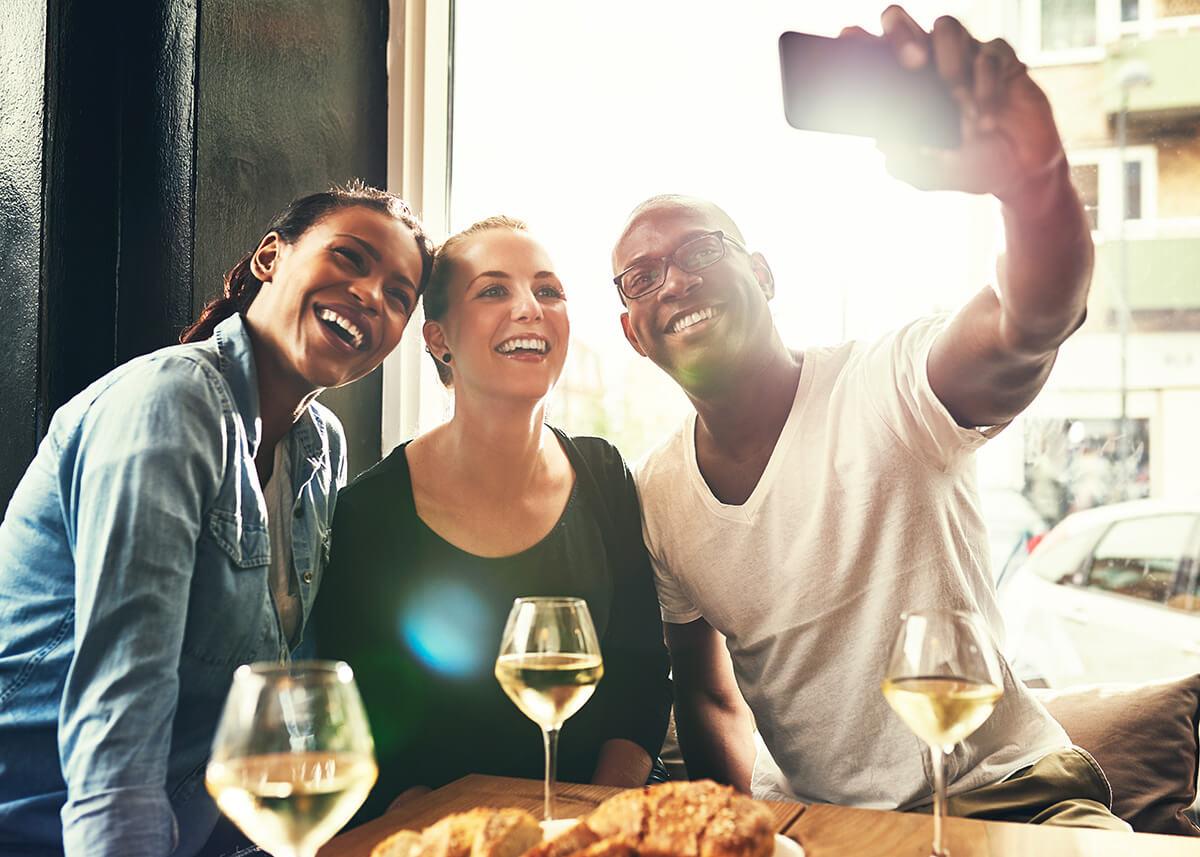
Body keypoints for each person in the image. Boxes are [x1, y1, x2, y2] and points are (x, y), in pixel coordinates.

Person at [612, 8, 1129, 831]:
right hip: (821, 825)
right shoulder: (658, 492)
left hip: (1012, 801)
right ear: (633, 333)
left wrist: (1031, 184)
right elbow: (706, 693)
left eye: (702, 252)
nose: (673, 282)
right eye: (640, 279)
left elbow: (1027, 323)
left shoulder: (888, 386)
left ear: (763, 274)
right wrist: (742, 836)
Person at [0, 182, 435, 857]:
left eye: (400, 294)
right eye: (350, 258)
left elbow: (285, 694)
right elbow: (121, 710)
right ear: (270, 257)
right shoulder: (171, 403)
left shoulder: (320, 445)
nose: (372, 294)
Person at [313, 216, 672, 822]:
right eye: (493, 290)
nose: (530, 308)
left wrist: (590, 822)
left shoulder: (603, 472)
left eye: (548, 290)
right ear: (438, 339)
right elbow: (370, 732)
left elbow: (638, 675)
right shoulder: (368, 512)